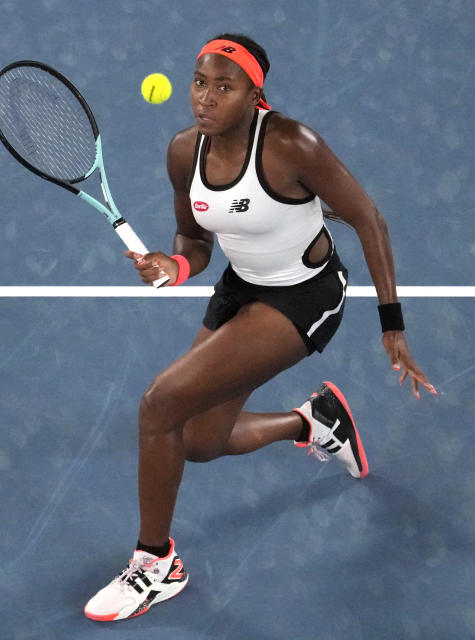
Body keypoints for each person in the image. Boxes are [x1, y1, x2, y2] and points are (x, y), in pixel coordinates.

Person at [84, 33, 436, 622]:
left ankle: (156, 564)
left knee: (158, 406)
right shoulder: (182, 153)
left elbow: (367, 218)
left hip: (305, 295)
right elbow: (194, 240)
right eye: (200, 82)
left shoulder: (292, 145)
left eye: (225, 87)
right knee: (196, 441)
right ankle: (314, 421)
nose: (206, 98)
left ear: (254, 95)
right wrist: (173, 266)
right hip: (241, 290)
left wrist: (392, 324)